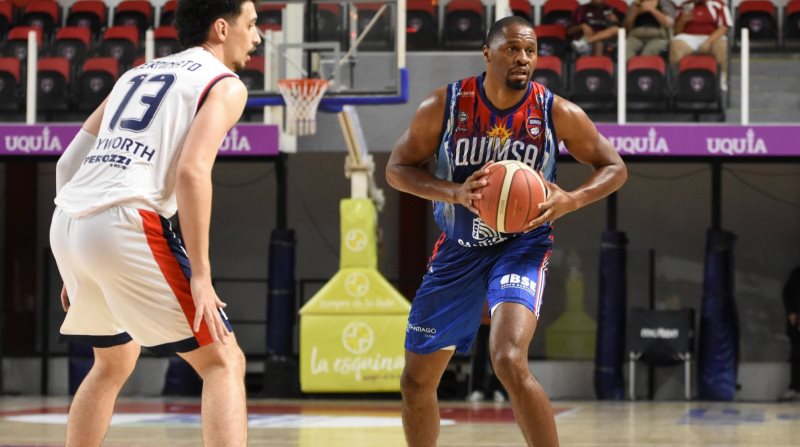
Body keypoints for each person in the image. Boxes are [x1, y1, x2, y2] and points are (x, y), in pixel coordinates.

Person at [386, 16, 627, 447]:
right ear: (488, 53)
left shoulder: (554, 111)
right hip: (459, 249)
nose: (523, 58)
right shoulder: (446, 105)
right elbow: (397, 170)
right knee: (415, 382)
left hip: (522, 246)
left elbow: (614, 167)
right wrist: (454, 192)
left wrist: (572, 199)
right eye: (512, 49)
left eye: (530, 51)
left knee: (508, 358)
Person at [49, 1, 260, 446]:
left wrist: (75, 258)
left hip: (67, 221)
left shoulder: (136, 73)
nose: (257, 37)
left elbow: (68, 163)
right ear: (222, 29)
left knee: (113, 361)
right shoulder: (225, 84)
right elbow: (191, 172)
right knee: (223, 361)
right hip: (125, 220)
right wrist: (201, 275)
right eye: (252, 24)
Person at [669, 0, 731, 90]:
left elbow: (724, 28)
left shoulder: (718, 4)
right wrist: (683, 20)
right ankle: (676, 81)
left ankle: (722, 79)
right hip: (689, 37)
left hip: (711, 37)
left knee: (723, 45)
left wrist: (708, 42)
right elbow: (676, 32)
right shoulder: (685, 6)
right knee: (675, 44)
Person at [467, 302, 506, 403]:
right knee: (480, 355)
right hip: (480, 322)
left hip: (499, 321)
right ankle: (478, 389)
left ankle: (498, 389)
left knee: (498, 356)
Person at [781, 267, 800, 401]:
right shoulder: (797, 273)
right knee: (797, 355)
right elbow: (787, 293)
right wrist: (792, 311)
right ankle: (795, 388)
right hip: (797, 323)